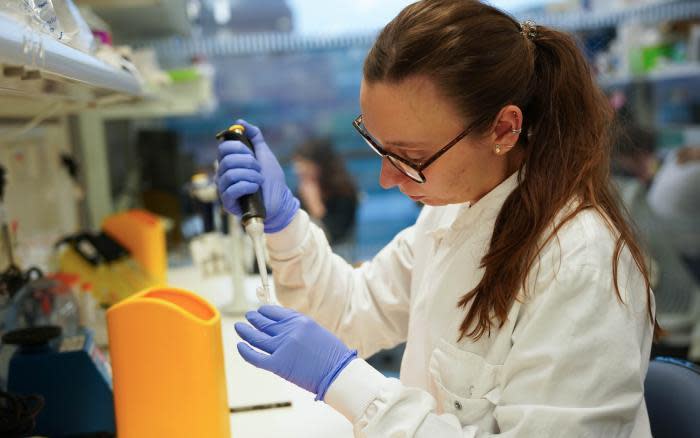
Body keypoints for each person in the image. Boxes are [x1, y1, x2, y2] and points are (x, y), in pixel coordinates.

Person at [215, 1, 659, 436]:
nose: (388, 178)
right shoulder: (452, 211)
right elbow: (350, 311)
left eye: (410, 156)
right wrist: (284, 222)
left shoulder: (580, 267)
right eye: (378, 145)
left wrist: (348, 383)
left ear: (504, 129)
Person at [292, 138, 358, 253]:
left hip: (335, 255)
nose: (298, 169)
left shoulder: (344, 192)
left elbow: (336, 236)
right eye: (298, 163)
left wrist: (316, 206)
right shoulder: (300, 192)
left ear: (321, 166)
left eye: (305, 163)